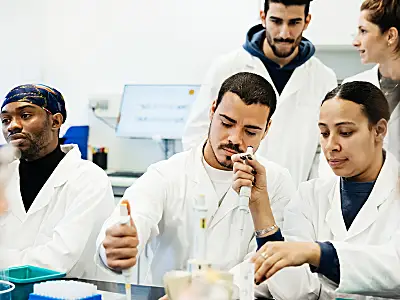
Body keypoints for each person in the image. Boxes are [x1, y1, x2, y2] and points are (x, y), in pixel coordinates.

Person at [96, 72, 295, 287]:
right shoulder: (167, 174)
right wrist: (116, 245)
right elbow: (135, 217)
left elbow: (275, 268)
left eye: (250, 131)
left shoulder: (277, 182)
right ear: (212, 111)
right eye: (227, 123)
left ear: (266, 130)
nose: (235, 139)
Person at [241, 81, 400, 299]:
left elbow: (395, 269)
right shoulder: (311, 196)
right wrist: (260, 207)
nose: (331, 146)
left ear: (379, 130)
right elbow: (295, 293)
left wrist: (318, 253)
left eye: (345, 132)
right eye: (324, 133)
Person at [182, 0, 337, 187]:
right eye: (276, 21)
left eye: (294, 22)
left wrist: (311, 198)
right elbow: (196, 134)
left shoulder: (323, 78)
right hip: (229, 196)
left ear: (307, 21)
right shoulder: (228, 66)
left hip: (291, 202)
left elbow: (323, 149)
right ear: (263, 17)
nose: (284, 33)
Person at [0, 84, 115, 278]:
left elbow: (58, 262)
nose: (13, 125)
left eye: (25, 116)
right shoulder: (5, 176)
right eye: (5, 119)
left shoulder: (88, 179)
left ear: (55, 121)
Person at [319, 0, 400, 177]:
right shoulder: (351, 88)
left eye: (363, 31)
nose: (356, 42)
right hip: (354, 199)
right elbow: (329, 167)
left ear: (391, 36)